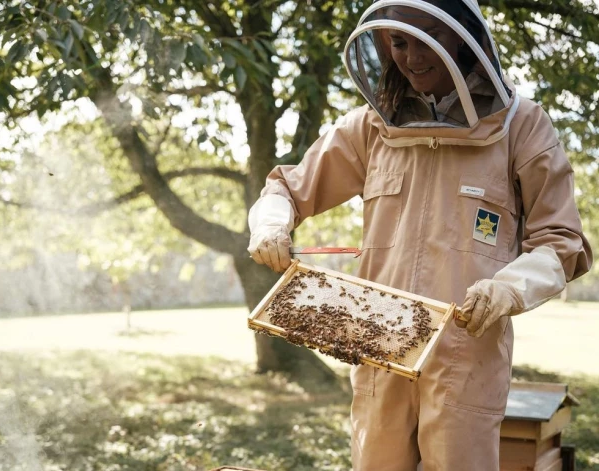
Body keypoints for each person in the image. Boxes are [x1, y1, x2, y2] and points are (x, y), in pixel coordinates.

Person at [247, 0, 593, 470]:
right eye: (400, 42)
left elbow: (561, 241)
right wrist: (271, 222)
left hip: (465, 356)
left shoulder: (521, 126)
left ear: (464, 39)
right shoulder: (371, 128)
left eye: (428, 37)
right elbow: (287, 186)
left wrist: (509, 289)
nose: (412, 57)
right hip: (378, 345)